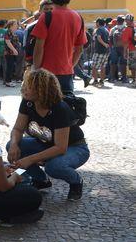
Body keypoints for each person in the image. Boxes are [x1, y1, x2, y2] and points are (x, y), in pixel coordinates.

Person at [7, 69, 89, 201]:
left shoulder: (60, 108)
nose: (23, 89)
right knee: (12, 146)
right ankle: (41, 180)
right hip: (45, 143)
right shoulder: (28, 102)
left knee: (54, 167)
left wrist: (30, 159)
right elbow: (17, 128)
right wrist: (14, 144)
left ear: (41, 90)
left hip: (74, 147)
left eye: (28, 86)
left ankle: (76, 181)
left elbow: (60, 147)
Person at [31, 0, 87, 94]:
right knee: (64, 107)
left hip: (46, 72)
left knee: (44, 107)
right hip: (67, 73)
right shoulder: (78, 18)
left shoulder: (46, 17)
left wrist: (36, 70)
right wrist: (70, 66)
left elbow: (39, 48)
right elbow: (79, 49)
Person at [90, 18, 110, 87]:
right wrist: (106, 45)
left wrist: (104, 44)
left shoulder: (99, 29)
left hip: (99, 51)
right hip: (106, 51)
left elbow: (98, 37)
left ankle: (95, 81)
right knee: (103, 67)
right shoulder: (106, 29)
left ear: (98, 23)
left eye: (96, 22)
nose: (95, 24)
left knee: (94, 66)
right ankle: (101, 81)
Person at [4, 20, 21, 87]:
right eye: (15, 24)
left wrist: (18, 44)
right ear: (11, 25)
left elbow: (15, 41)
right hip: (9, 52)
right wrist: (14, 50)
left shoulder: (13, 32)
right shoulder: (7, 32)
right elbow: (8, 42)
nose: (17, 25)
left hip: (13, 53)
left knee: (11, 66)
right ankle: (8, 81)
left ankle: (9, 80)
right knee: (9, 66)